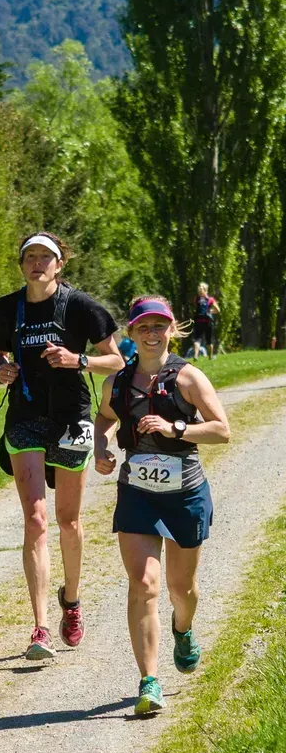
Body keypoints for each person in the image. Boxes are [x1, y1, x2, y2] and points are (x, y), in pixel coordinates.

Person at [94, 296, 230, 715]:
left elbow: (222, 430)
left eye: (160, 326)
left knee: (180, 589)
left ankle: (183, 628)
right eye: (143, 327)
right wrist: (100, 446)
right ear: (131, 334)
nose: (152, 334)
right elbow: (103, 418)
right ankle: (149, 681)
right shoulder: (116, 382)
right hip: (136, 492)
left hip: (184, 493)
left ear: (172, 330)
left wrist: (176, 427)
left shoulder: (188, 378)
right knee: (144, 584)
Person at [0, 232, 122, 660]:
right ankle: (40, 627)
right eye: (30, 256)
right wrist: (2, 369)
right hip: (25, 418)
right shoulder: (6, 309)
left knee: (68, 520)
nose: (37, 263)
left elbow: (117, 360)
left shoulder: (82, 307)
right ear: (22, 264)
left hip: (71, 417)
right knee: (35, 519)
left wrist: (77, 360)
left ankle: (73, 600)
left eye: (45, 257)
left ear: (59, 264)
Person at [193, 282, 220, 360]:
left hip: (198, 321)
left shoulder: (196, 299)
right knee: (209, 340)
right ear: (206, 290)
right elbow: (218, 310)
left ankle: (195, 355)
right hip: (208, 321)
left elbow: (196, 308)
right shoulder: (210, 299)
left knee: (197, 339)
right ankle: (210, 357)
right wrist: (211, 311)